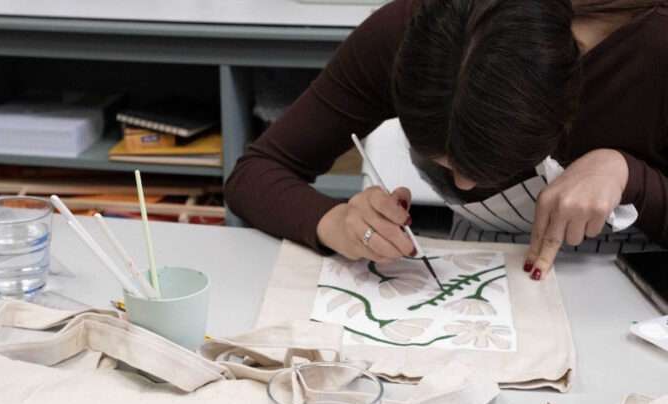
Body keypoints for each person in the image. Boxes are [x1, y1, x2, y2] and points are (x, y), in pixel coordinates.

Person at [225, 0, 668, 280]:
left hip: (634, 288)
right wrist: (334, 221)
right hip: (482, 274)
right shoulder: (411, 34)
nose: (464, 187)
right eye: (444, 164)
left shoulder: (655, 52)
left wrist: (631, 177)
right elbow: (256, 172)